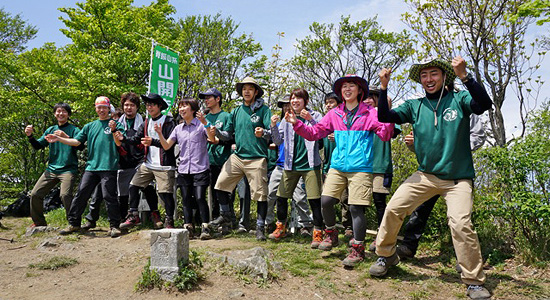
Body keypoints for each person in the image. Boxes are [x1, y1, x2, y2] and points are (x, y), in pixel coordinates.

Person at [370, 56, 492, 300]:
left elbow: (483, 104)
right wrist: (383, 88)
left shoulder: (459, 99)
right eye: (424, 76)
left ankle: (474, 281)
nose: (428, 79)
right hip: (425, 175)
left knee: (460, 223)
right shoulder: (415, 106)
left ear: (444, 76)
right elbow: (384, 116)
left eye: (433, 74)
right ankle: (386, 255)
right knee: (394, 208)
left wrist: (465, 76)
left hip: (458, 180)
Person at [286, 74, 394, 268]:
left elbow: (385, 134)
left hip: (361, 167)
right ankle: (331, 234)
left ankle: (358, 249)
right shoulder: (335, 114)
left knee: (355, 208)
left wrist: (387, 114)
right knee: (325, 201)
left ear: (360, 90)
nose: (347, 89)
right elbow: (314, 133)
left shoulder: (370, 113)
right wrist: (297, 123)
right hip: (337, 166)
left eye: (352, 85)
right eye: (344, 86)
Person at [396, 113, 485, 260]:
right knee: (419, 210)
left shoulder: (465, 105)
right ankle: (408, 247)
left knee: (461, 220)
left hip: (458, 174)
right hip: (430, 173)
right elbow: (424, 145)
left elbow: (478, 135)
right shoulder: (428, 110)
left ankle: (465, 259)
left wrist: (455, 148)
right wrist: (414, 143)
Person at [46, 96, 124, 237]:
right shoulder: (89, 126)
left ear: (108, 108)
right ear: (95, 108)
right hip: (91, 166)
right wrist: (59, 138)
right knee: (81, 193)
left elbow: (119, 143)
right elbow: (76, 142)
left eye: (104, 107)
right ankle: (74, 224)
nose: (101, 110)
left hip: (109, 166)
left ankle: (114, 226)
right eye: (98, 107)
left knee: (109, 196)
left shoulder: (115, 124)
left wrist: (113, 130)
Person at [82, 92, 162, 230]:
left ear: (137, 107)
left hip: (140, 161)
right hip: (120, 161)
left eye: (132, 105)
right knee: (116, 191)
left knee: (145, 186)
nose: (129, 108)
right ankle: (118, 218)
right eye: (126, 105)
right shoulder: (116, 123)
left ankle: (154, 215)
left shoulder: (144, 123)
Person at [209, 76, 272, 240]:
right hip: (238, 156)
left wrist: (263, 133)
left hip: (257, 157)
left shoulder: (264, 110)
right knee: (220, 185)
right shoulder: (236, 111)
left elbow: (272, 134)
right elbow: (227, 135)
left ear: (255, 92)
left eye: (250, 88)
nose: (246, 91)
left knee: (260, 194)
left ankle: (259, 227)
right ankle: (226, 214)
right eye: (244, 89)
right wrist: (215, 131)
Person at [155, 97, 217, 239]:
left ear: (193, 109)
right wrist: (159, 133)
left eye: (185, 106)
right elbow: (166, 146)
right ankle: (188, 227)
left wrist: (205, 123)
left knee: (201, 197)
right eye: (180, 107)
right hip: (183, 169)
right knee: (186, 198)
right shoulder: (178, 128)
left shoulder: (201, 125)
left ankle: (205, 227)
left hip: (200, 168)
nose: (181, 109)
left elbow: (212, 139)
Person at [269, 88, 323, 247]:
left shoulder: (316, 115)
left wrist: (310, 120)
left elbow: (320, 133)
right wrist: (273, 126)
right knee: (281, 196)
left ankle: (318, 232)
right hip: (291, 164)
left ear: (305, 101)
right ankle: (281, 227)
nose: (294, 101)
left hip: (310, 165)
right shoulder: (286, 119)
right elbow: (278, 141)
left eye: (298, 98)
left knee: (314, 200)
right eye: (293, 99)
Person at [117, 93, 177, 228]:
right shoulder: (146, 122)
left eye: (152, 104)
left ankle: (169, 220)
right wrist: (123, 138)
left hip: (164, 165)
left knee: (165, 194)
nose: (149, 107)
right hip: (148, 163)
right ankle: (133, 215)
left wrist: (153, 141)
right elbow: (135, 139)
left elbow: (170, 144)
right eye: (147, 105)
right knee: (134, 186)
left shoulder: (168, 121)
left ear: (159, 106)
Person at [25, 103, 83, 227]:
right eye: (58, 111)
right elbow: (38, 146)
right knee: (35, 194)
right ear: (54, 114)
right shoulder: (50, 130)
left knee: (65, 195)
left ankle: (73, 223)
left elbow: (81, 146)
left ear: (68, 114)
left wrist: (65, 136)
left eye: (64, 111)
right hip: (51, 169)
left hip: (68, 169)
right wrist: (30, 136)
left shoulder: (74, 129)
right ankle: (39, 223)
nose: (61, 114)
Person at [266, 95, 312, 237]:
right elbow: (277, 140)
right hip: (281, 165)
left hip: (299, 166)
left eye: (288, 104)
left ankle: (305, 225)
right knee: (271, 195)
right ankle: (272, 224)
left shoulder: (305, 120)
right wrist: (273, 126)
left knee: (299, 198)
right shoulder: (283, 123)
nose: (286, 107)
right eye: (283, 105)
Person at [363, 86, 402, 252]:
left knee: (380, 202)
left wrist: (386, 110)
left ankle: (381, 236)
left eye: (373, 97)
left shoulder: (385, 116)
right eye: (366, 97)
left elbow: (393, 132)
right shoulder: (360, 117)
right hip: (362, 166)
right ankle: (358, 236)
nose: (369, 100)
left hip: (381, 166)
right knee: (359, 203)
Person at [199, 88, 232, 223]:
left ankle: (229, 220)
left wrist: (215, 135)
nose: (206, 100)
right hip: (208, 160)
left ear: (218, 99)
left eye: (209, 97)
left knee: (225, 191)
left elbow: (228, 137)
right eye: (205, 98)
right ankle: (215, 219)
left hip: (224, 159)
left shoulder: (226, 116)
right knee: (212, 191)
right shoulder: (205, 118)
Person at [322, 92, 352, 239]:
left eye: (331, 102)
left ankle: (348, 227)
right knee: (327, 198)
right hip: (328, 165)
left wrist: (338, 137)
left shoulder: (344, 121)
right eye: (326, 102)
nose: (328, 105)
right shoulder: (325, 121)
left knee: (346, 199)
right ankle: (330, 227)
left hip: (345, 167)